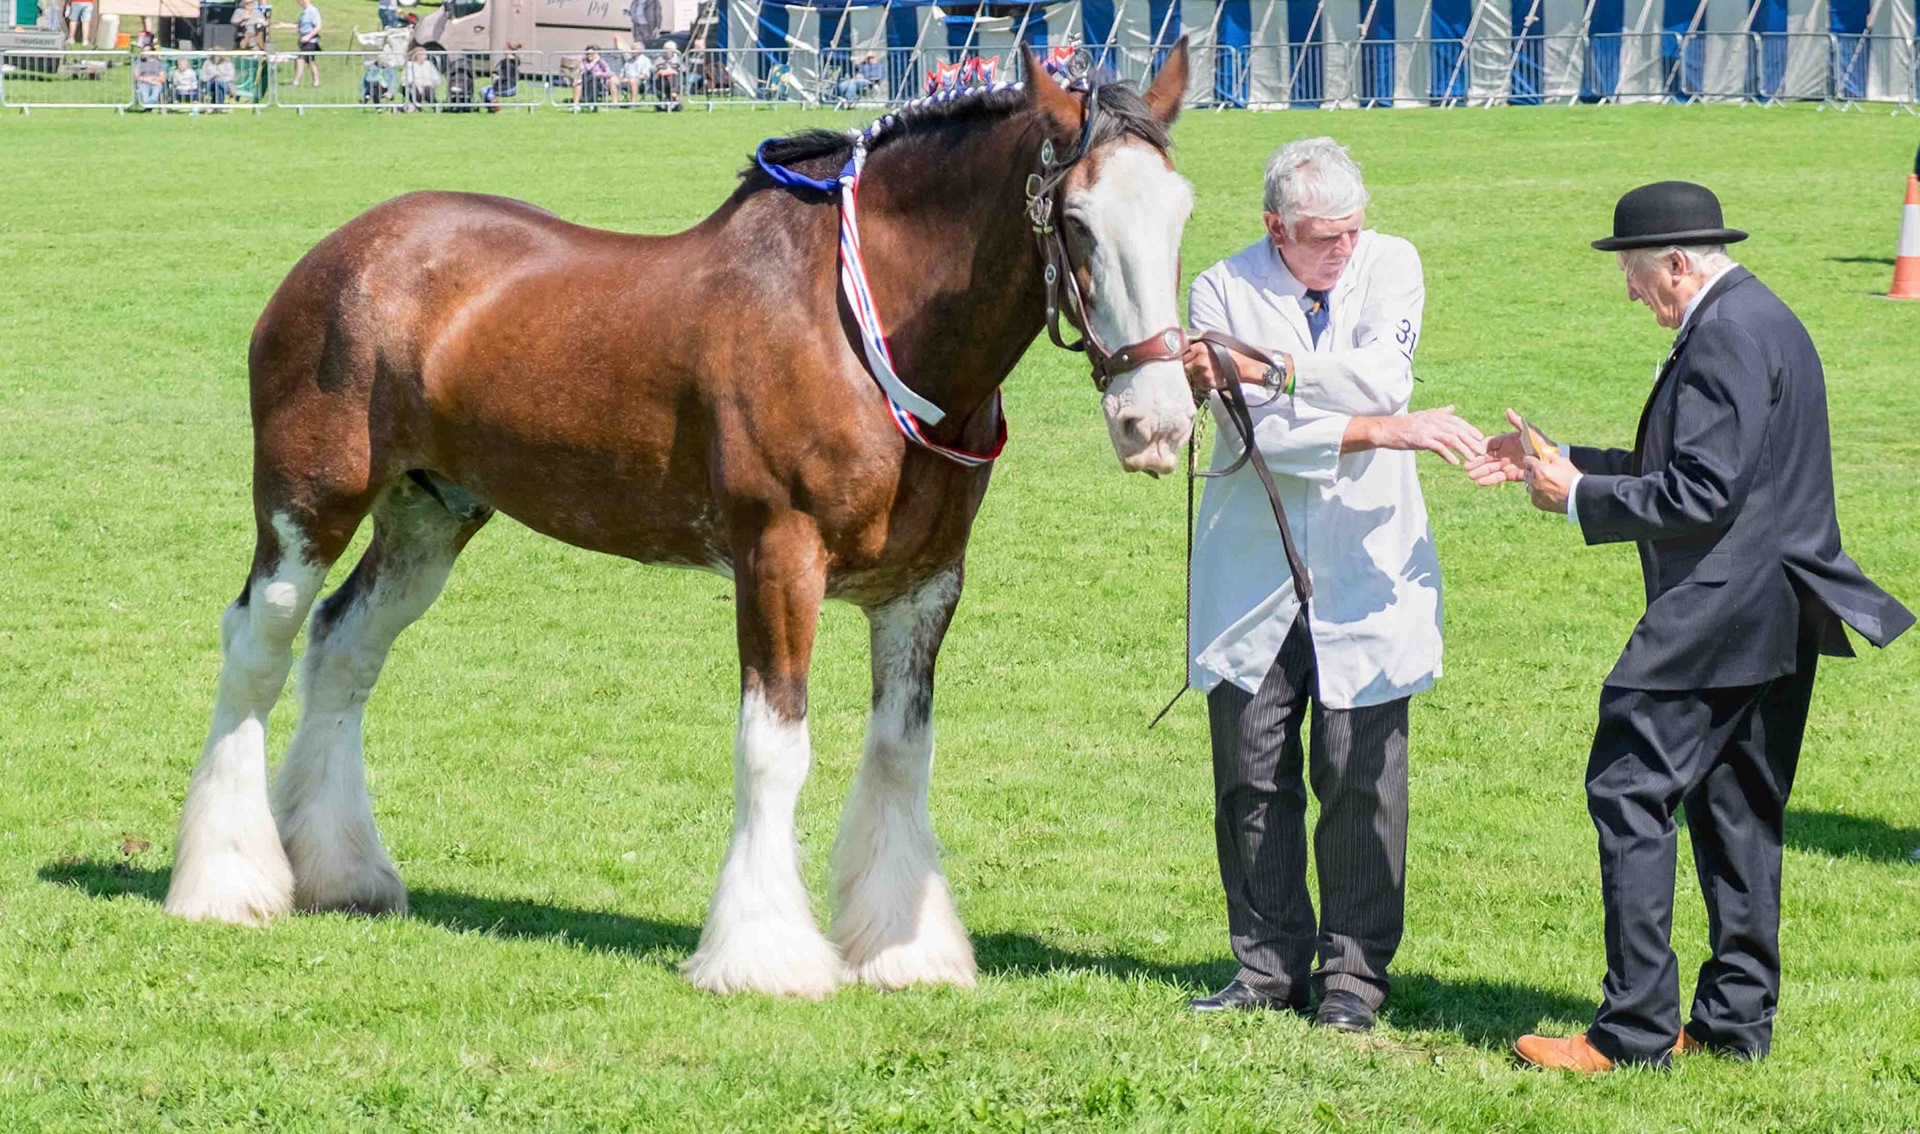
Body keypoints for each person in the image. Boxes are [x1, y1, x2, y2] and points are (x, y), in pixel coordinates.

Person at [1465, 181, 1914, 1072]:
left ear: (1677, 262)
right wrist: (1563, 462)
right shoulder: (1759, 317)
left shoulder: (1725, 337)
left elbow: (1702, 494)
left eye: (1634, 274)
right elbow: (1696, 465)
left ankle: (1632, 1032)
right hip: (1777, 611)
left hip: (1719, 611)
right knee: (1738, 809)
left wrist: (1578, 500)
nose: (1629, 292)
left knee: (1627, 787)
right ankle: (1733, 1023)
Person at [1178, 137, 1485, 1032]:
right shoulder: (1218, 290)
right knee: (1251, 772)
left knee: (1361, 778)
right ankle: (1266, 967)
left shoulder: (1393, 264)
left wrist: (1273, 369)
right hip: (1253, 570)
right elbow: (1251, 439)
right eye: (1321, 237)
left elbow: (1387, 379)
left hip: (1368, 563)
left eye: (1352, 229)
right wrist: (1387, 432)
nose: (1343, 248)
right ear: (1274, 227)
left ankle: (1353, 981)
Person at [276, 0, 322, 87]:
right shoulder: (304, 13)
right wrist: (284, 25)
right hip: (304, 41)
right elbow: (300, 25)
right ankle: (316, 82)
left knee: (299, 59)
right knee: (311, 62)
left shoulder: (313, 11)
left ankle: (296, 82)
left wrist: (308, 36)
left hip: (310, 41)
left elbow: (318, 26)